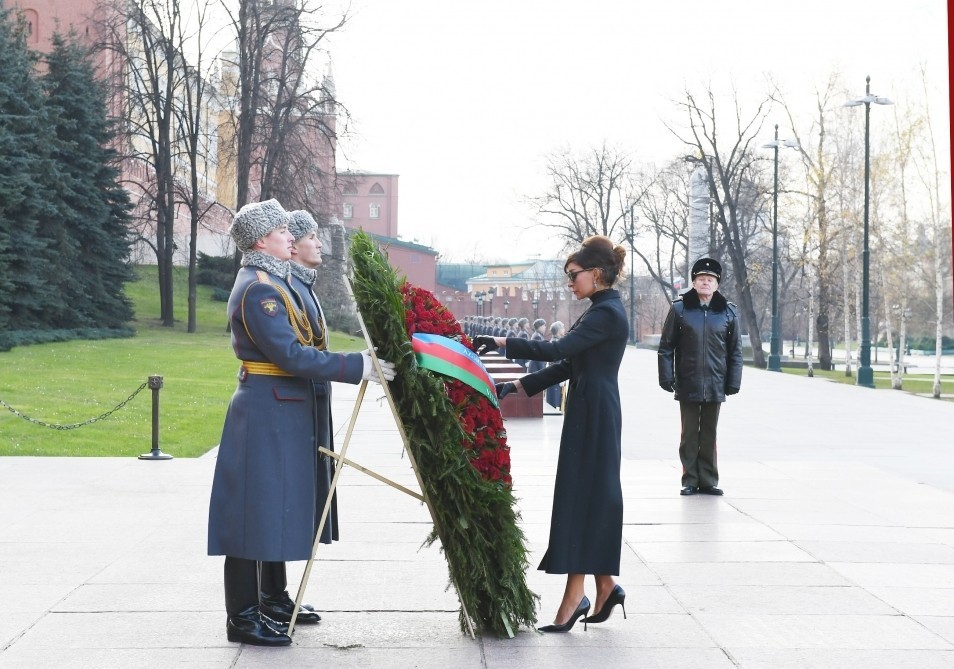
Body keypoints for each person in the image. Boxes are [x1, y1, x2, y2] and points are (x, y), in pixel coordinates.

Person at [208, 199, 395, 647]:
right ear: (259, 240)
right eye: (280, 231)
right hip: (265, 410)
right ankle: (243, 617)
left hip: (280, 408)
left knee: (271, 508)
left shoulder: (270, 281)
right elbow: (290, 354)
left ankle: (269, 602)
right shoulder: (259, 290)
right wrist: (357, 366)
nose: (290, 236)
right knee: (252, 513)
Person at [474, 235, 629, 633]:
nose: (569, 282)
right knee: (586, 497)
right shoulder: (601, 309)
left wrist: (501, 342)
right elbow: (570, 365)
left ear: (596, 274)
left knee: (586, 497)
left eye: (574, 275)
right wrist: (520, 386)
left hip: (594, 412)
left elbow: (560, 350)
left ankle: (580, 594)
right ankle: (602, 586)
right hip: (591, 408)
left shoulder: (606, 313)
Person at [657, 257, 742, 497]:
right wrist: (666, 376)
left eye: (710, 279)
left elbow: (734, 351)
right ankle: (690, 479)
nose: (705, 283)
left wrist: (733, 381)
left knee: (709, 433)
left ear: (717, 285)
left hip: (716, 382)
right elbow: (666, 346)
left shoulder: (728, 312)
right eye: (701, 279)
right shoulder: (680, 309)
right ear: (694, 282)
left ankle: (708, 480)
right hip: (689, 381)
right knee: (689, 434)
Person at [544, 321, 566, 411]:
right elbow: (557, 361)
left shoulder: (554, 341)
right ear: (558, 330)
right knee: (555, 401)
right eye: (562, 328)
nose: (564, 330)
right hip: (556, 375)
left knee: (553, 398)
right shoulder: (557, 342)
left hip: (553, 374)